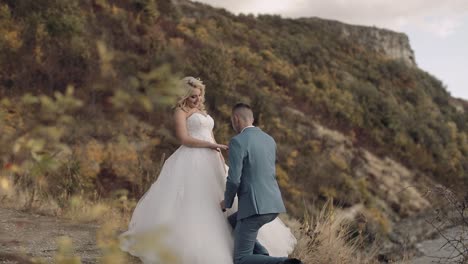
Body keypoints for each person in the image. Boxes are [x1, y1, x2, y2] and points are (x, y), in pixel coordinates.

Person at [119, 77, 296, 264]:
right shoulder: (180, 111)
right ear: (185, 96)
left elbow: (211, 135)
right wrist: (211, 146)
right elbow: (184, 139)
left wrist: (219, 157)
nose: (197, 99)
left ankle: (258, 254)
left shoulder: (202, 111)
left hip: (211, 156)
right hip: (191, 157)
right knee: (195, 199)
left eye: (199, 95)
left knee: (223, 201)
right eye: (193, 96)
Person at [220, 103, 303, 264]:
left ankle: (284, 263)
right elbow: (258, 166)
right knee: (233, 222)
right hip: (272, 205)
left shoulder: (238, 141)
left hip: (254, 208)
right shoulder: (269, 139)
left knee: (241, 259)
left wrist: (227, 202)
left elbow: (234, 179)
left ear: (235, 119)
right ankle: (264, 258)